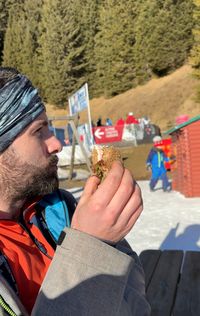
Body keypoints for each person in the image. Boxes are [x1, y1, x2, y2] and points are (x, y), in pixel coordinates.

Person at [0, 67, 150, 315]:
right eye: (39, 132)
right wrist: (90, 248)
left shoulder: (62, 208)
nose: (57, 143)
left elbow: (136, 301)